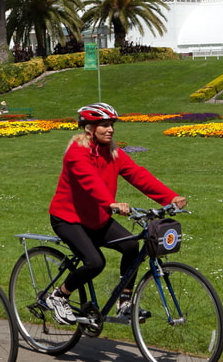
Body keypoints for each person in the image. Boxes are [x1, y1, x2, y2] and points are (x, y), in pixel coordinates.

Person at [45, 103, 186, 325]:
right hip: (69, 219)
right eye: (103, 125)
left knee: (131, 246)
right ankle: (59, 296)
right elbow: (91, 182)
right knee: (94, 262)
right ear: (89, 128)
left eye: (111, 125)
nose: (110, 129)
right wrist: (111, 202)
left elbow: (138, 175)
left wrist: (170, 197)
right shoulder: (76, 153)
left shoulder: (113, 152)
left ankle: (125, 302)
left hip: (97, 218)